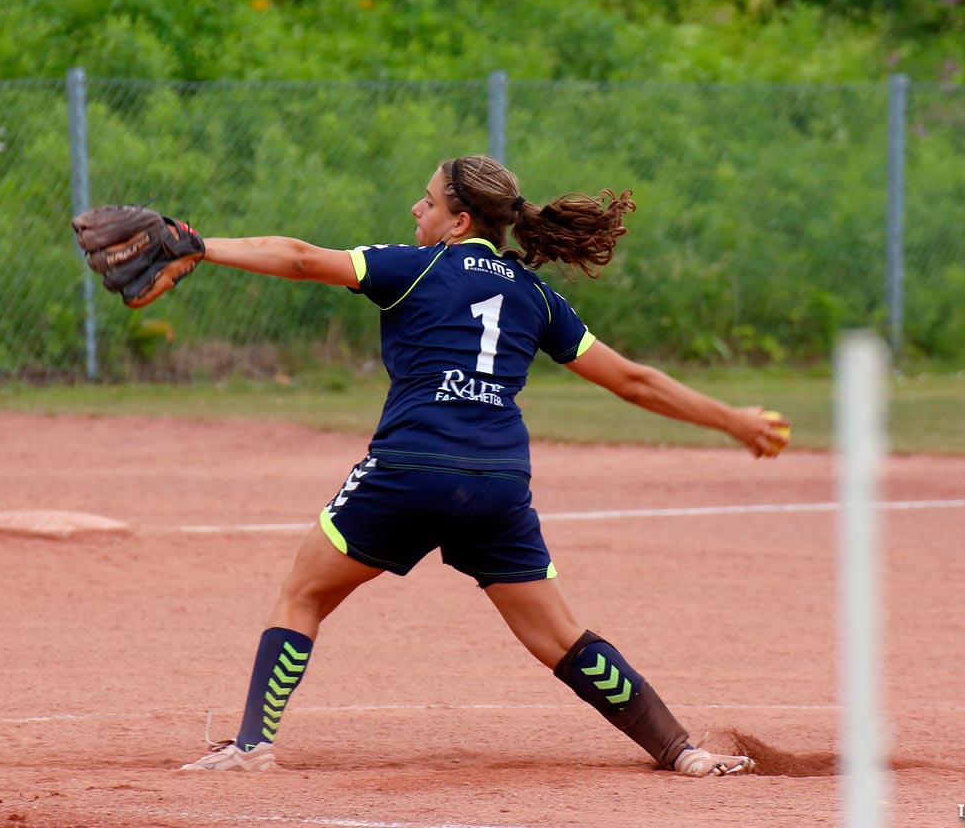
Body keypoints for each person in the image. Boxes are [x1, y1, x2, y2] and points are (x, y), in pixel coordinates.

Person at [179, 154, 790, 777]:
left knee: (302, 596)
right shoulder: (537, 298)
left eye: (429, 201)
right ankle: (681, 751)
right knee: (560, 638)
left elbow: (302, 258)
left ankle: (253, 746)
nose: (417, 209)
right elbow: (633, 382)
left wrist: (199, 246)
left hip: (409, 469)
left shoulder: (412, 269)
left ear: (459, 221)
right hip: (498, 483)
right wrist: (732, 420)